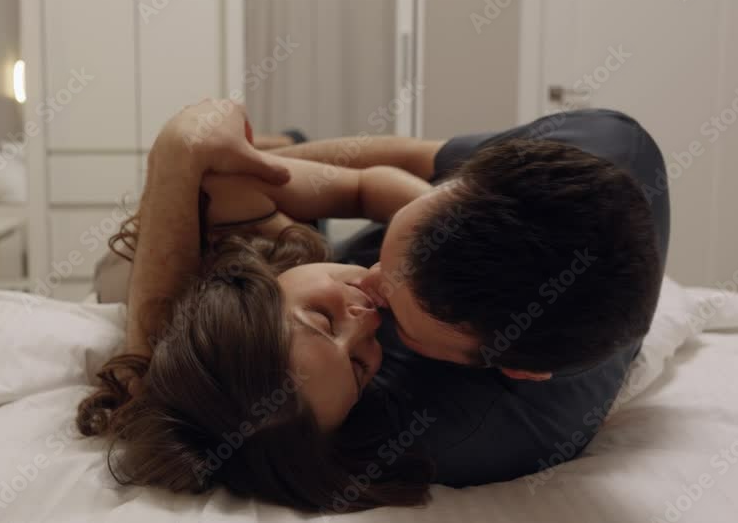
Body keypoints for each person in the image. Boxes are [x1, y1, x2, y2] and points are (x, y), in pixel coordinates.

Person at [269, 108, 669, 485]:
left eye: (401, 320)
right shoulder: (586, 146)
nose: (368, 280)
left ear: (517, 370)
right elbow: (413, 157)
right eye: (404, 221)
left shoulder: (444, 425)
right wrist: (247, 160)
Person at [79, 100, 437, 512]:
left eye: (322, 318)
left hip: (141, 266)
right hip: (294, 249)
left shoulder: (225, 216)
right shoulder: (344, 370)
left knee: (223, 168)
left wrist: (178, 148)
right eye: (358, 367)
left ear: (256, 284)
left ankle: (280, 143)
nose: (367, 321)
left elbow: (378, 177)